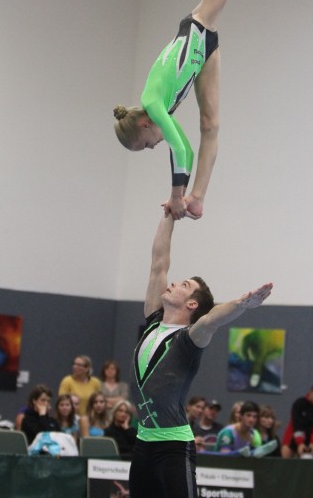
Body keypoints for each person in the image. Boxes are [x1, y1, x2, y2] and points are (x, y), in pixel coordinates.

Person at [114, 0, 281, 222]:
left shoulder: (153, 103)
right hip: (204, 55)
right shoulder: (159, 111)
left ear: (144, 126)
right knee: (210, 124)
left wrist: (176, 195)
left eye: (145, 146)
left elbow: (177, 148)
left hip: (198, 27)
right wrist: (182, 198)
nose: (152, 147)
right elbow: (185, 150)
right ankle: (200, 198)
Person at [128, 212, 273, 498]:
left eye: (183, 285)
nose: (173, 283)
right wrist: (169, 214)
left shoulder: (189, 339)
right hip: (143, 444)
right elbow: (158, 263)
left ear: (192, 304)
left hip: (173, 448)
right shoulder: (153, 318)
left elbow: (212, 319)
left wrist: (242, 303)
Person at [281, 381, 313, 459]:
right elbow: (297, 424)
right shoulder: (299, 403)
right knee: (285, 463)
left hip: (309, 442)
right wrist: (300, 443)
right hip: (292, 437)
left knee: (306, 464)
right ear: (310, 392)